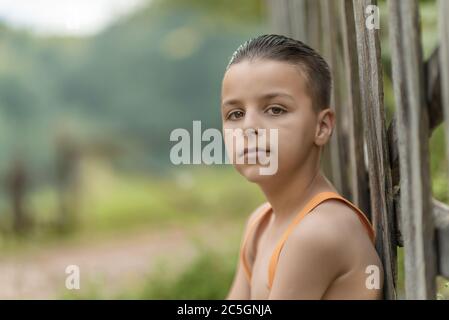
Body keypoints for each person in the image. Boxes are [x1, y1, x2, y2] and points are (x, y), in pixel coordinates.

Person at [221, 34, 384, 300]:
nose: (249, 127)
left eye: (275, 109)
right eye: (235, 114)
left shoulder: (318, 231)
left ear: (322, 127)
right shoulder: (260, 223)